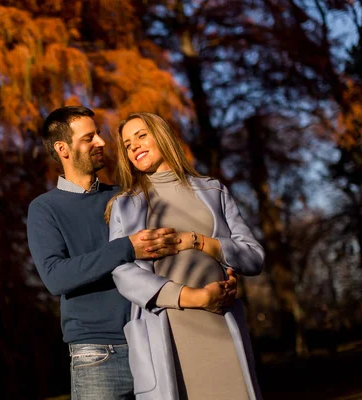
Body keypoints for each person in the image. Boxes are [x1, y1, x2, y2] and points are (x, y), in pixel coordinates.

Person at [26, 106, 237, 400]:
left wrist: (222, 273)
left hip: (156, 340)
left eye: (98, 134)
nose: (101, 142)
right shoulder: (45, 208)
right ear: (63, 148)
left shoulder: (125, 198)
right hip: (97, 354)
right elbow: (56, 277)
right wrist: (127, 247)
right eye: (89, 138)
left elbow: (174, 249)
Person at [106, 112, 265, 400]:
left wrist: (198, 242)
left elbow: (253, 256)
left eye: (141, 136)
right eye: (128, 144)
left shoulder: (213, 190)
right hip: (168, 330)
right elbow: (122, 272)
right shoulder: (124, 205)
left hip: (221, 324)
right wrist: (195, 297)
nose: (135, 147)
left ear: (162, 136)